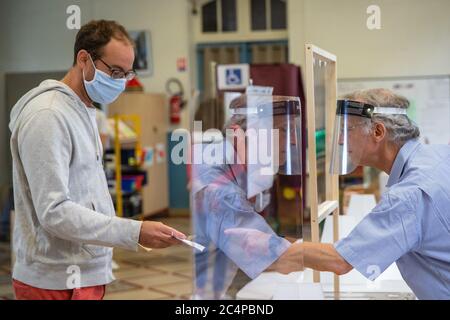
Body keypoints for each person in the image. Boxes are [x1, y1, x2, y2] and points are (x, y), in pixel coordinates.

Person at [8, 20, 186, 300]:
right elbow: (54, 211)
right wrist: (134, 231)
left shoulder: (83, 109)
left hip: (82, 272)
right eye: (114, 71)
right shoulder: (48, 115)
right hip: (55, 281)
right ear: (84, 59)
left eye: (126, 74)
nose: (120, 82)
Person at [298, 88, 450, 300]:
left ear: (378, 132)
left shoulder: (408, 195)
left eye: (347, 130)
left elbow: (340, 261)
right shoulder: (441, 154)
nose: (341, 140)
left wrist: (271, 247)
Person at [191, 95, 304, 299]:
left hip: (235, 278)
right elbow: (268, 251)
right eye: (282, 130)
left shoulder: (250, 165)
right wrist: (332, 256)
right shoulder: (216, 183)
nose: (293, 140)